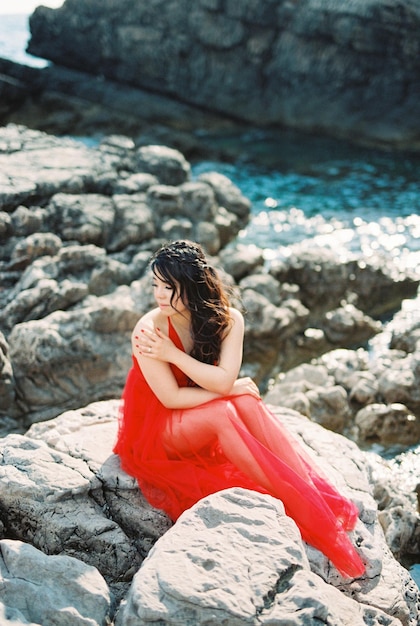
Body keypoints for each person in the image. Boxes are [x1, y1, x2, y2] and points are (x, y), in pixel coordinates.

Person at [114, 239, 365, 578]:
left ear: (192, 285)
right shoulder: (150, 329)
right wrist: (176, 357)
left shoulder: (228, 319)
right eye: (156, 285)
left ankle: (304, 489)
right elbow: (173, 398)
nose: (159, 295)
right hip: (156, 433)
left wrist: (226, 386)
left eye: (169, 287)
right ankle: (291, 497)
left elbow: (223, 380)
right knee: (228, 405)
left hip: (196, 418)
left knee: (245, 398)